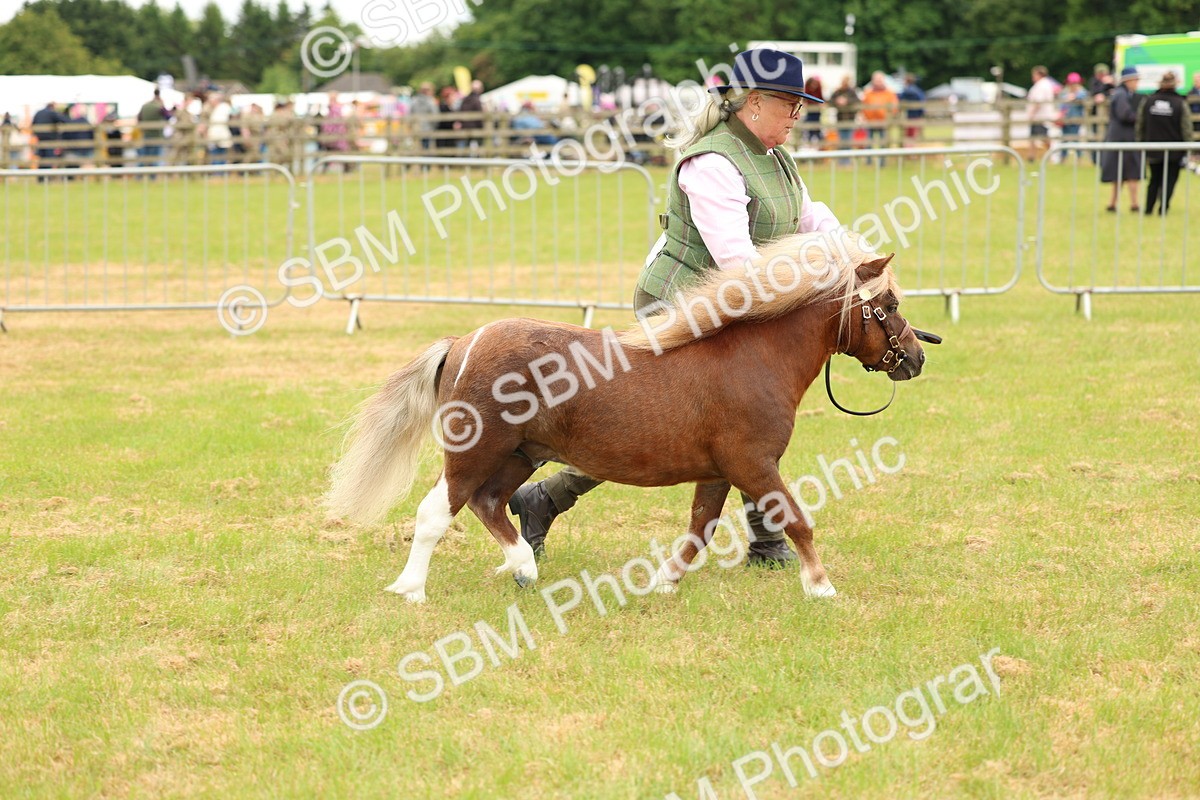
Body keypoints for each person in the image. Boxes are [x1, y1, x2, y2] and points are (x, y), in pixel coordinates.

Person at [508, 48, 843, 568]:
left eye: (800, 107)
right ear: (754, 103)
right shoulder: (712, 162)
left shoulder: (774, 155)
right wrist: (807, 283)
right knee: (665, 424)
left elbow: (807, 216)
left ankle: (764, 538)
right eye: (791, 105)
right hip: (679, 300)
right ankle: (545, 497)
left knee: (747, 415)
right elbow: (736, 261)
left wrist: (849, 253)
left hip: (742, 305)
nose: (797, 117)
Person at [1136, 71, 1193, 215]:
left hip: (1152, 148)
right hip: (1174, 150)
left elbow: (1140, 124)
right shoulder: (1179, 103)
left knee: (1154, 179)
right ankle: (1163, 208)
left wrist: (1140, 143)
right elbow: (1186, 128)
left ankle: (1148, 209)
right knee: (1170, 179)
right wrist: (1188, 147)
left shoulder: (1149, 101)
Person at [1100, 67, 1143, 212]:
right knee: (1129, 172)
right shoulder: (1121, 95)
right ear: (1128, 80)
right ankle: (1131, 203)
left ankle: (1116, 203)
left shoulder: (1122, 94)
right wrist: (1140, 118)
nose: (1137, 83)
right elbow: (1125, 114)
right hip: (1124, 138)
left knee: (1121, 172)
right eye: (1135, 80)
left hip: (1121, 137)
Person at [861, 71, 898, 163]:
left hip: (883, 121)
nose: (878, 82)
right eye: (876, 80)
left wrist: (888, 116)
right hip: (870, 121)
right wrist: (867, 115)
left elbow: (894, 106)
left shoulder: (889, 93)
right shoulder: (868, 93)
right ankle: (868, 161)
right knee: (869, 143)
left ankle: (882, 162)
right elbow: (863, 106)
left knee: (883, 143)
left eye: (880, 80)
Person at [1026, 66, 1059, 159]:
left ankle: (1051, 155)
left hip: (1040, 116)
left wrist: (1031, 113)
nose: (1033, 77)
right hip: (1039, 116)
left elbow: (1038, 101)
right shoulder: (1044, 84)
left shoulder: (1042, 85)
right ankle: (1031, 157)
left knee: (1044, 138)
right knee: (1033, 137)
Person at [1088, 63, 1115, 163]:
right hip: (1096, 115)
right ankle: (1096, 160)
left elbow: (1112, 93)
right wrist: (1104, 85)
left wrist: (1110, 84)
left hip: (1109, 116)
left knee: (1107, 137)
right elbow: (1095, 93)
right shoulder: (1094, 82)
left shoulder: (1111, 83)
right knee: (1095, 137)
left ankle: (1105, 159)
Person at [829, 75, 860, 161]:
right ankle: (842, 160)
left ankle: (847, 160)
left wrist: (847, 101)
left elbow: (857, 101)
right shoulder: (838, 92)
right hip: (840, 119)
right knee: (841, 140)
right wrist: (837, 101)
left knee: (848, 140)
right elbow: (830, 101)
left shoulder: (852, 92)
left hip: (850, 119)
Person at [1058, 72, 1088, 158]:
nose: (1073, 85)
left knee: (1075, 138)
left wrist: (1073, 97)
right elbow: (1061, 104)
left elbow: (1083, 97)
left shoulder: (1081, 92)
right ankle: (1063, 158)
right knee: (1064, 139)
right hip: (1065, 119)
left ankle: (1079, 157)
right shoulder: (1065, 91)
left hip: (1076, 118)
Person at [137, 89, 168, 167]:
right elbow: (168, 116)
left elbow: (139, 118)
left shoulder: (145, 106)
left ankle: (140, 175)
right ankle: (153, 176)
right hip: (157, 135)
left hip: (146, 134)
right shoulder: (159, 106)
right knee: (156, 157)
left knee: (144, 156)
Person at [409, 82, 439, 151]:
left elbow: (410, 113)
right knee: (427, 149)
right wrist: (434, 126)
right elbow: (435, 115)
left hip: (416, 127)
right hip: (428, 128)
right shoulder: (431, 101)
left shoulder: (414, 100)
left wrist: (411, 125)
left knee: (418, 148)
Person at [898, 74, 925, 146]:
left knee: (910, 134)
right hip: (917, 115)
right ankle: (912, 151)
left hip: (910, 115)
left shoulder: (906, 91)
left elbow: (900, 99)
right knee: (914, 134)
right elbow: (922, 102)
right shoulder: (918, 90)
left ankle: (910, 150)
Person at [458, 79, 485, 150]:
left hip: (465, 128)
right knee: (479, 148)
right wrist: (482, 127)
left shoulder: (465, 99)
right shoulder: (476, 100)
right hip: (476, 128)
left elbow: (460, 113)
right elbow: (480, 116)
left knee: (467, 149)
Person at [436, 86, 460, 152]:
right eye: (453, 96)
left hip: (450, 137)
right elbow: (444, 123)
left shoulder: (451, 108)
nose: (455, 98)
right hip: (444, 138)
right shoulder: (443, 107)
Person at [801, 76, 823, 147]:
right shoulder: (807, 90)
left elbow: (821, 99)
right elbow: (804, 100)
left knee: (817, 128)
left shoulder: (818, 90)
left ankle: (818, 145)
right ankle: (810, 144)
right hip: (810, 113)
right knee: (810, 129)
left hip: (817, 113)